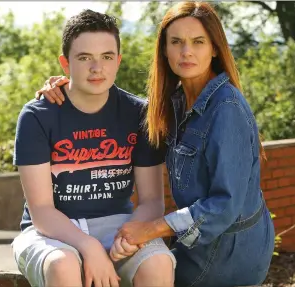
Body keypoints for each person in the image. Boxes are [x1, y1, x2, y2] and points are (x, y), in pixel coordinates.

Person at [37, 2, 276, 287]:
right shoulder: (174, 104)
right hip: (197, 246)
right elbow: (120, 106)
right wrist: (68, 87)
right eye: (176, 42)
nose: (186, 51)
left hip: (228, 255)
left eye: (198, 42)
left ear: (214, 48)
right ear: (164, 49)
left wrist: (150, 230)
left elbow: (224, 206)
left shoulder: (226, 108)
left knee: (139, 272)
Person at [12, 9, 176, 287]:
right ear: (65, 63)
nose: (97, 68)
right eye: (84, 57)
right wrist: (89, 247)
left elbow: (152, 202)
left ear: (118, 61)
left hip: (119, 225)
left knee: (158, 262)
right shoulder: (38, 116)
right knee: (63, 266)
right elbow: (41, 210)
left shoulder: (139, 114)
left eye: (107, 57)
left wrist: (128, 237)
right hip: (52, 231)